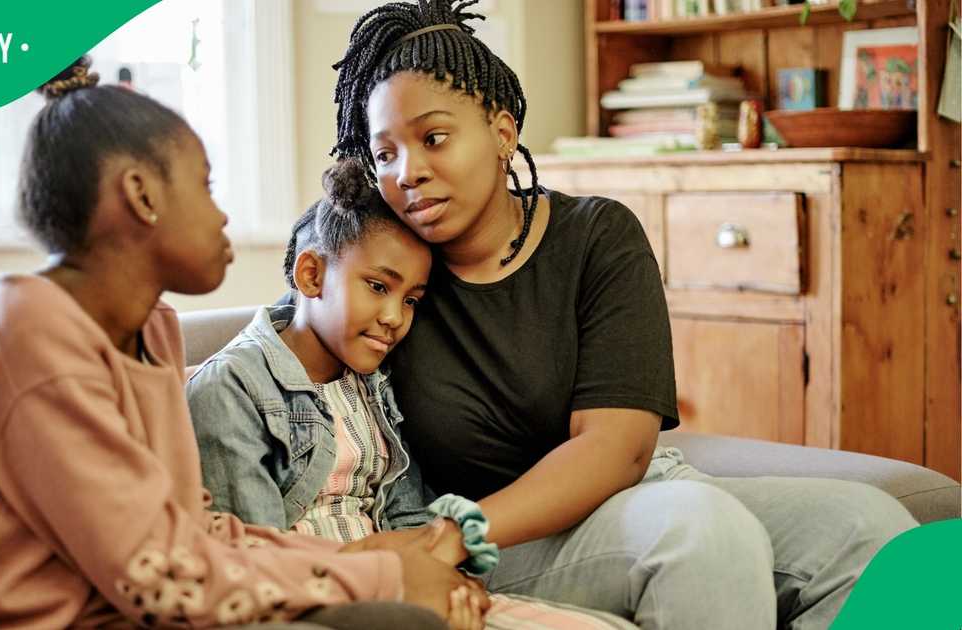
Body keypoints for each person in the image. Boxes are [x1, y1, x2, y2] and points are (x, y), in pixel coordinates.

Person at [324, 2, 920, 629]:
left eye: (434, 138)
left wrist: (446, 537)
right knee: (699, 532)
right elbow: (298, 322)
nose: (408, 172)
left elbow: (616, 450)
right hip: (497, 536)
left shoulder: (596, 234)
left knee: (878, 534)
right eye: (384, 153)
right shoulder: (387, 275)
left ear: (502, 133)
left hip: (634, 494)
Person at [0, 57, 460, 629]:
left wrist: (383, 568)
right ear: (141, 195)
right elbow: (163, 578)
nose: (222, 216)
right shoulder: (25, 335)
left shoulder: (152, 329)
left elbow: (195, 531)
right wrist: (378, 577)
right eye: (205, 187)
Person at [187, 159, 635, 630]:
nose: (394, 318)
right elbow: (255, 558)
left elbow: (407, 513)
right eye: (378, 287)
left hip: (408, 586)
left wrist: (448, 579)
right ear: (312, 276)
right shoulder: (231, 389)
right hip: (333, 601)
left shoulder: (371, 382)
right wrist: (398, 583)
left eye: (411, 300)